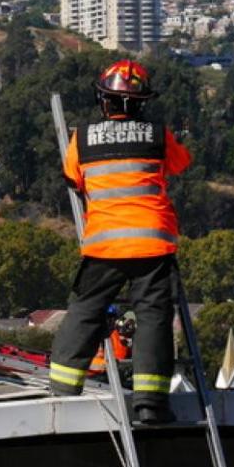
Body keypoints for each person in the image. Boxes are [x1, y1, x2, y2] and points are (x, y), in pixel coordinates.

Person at [49, 59, 191, 424]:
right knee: (154, 316)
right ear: (141, 101)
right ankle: (150, 403)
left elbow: (72, 178)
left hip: (104, 245)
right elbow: (180, 163)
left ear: (104, 100)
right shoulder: (158, 136)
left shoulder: (82, 138)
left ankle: (62, 387)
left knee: (85, 310)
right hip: (153, 245)